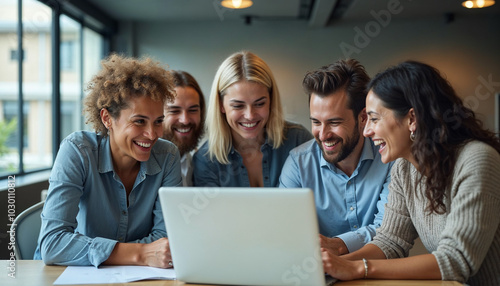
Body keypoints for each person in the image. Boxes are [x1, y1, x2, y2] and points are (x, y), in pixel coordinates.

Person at [322, 61, 500, 286]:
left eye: (374, 119)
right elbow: (390, 242)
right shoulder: (404, 168)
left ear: (412, 119)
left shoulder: (477, 159)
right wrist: (332, 267)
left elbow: (456, 260)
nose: (366, 131)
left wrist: (357, 268)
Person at [34, 54, 182, 268]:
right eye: (139, 121)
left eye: (158, 121)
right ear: (107, 119)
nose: (152, 134)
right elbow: (53, 244)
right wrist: (140, 254)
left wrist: (104, 252)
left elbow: (165, 242)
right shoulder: (78, 151)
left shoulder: (168, 156)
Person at [279, 59, 393, 255]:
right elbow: (284, 231)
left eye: (334, 122)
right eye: (316, 122)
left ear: (363, 118)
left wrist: (339, 245)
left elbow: (389, 230)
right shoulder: (298, 164)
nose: (323, 135)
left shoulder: (390, 159)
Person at [192, 51, 313, 187]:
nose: (250, 115)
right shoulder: (206, 160)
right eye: (238, 106)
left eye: (259, 104)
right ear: (221, 105)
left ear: (271, 101)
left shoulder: (298, 140)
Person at [163, 70, 205, 186]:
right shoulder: (140, 169)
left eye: (192, 110)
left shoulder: (197, 165)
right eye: (174, 111)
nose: (185, 120)